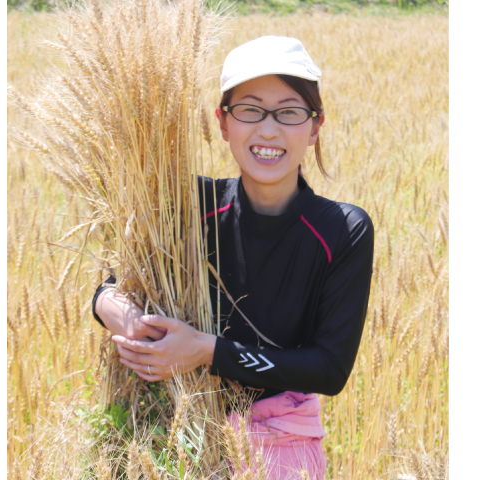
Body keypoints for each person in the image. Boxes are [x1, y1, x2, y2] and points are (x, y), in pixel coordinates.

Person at [92, 36, 374, 479]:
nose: (268, 129)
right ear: (223, 122)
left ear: (315, 126)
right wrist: (121, 314)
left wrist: (206, 351)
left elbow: (329, 369)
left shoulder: (343, 229)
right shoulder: (186, 207)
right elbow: (109, 285)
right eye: (250, 109)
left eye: (289, 111)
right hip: (167, 440)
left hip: (279, 450)